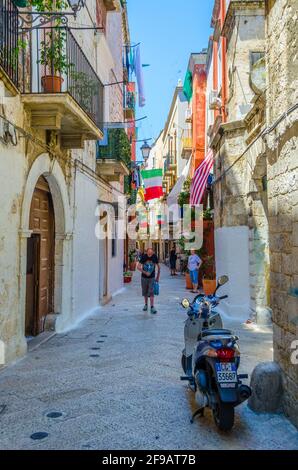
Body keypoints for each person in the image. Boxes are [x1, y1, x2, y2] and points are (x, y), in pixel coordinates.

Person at [138, 247, 160, 314]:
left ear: (153, 252)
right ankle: (146, 305)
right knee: (145, 292)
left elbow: (159, 267)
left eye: (151, 253)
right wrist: (145, 272)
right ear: (146, 252)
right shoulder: (144, 257)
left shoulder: (154, 257)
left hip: (152, 277)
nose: (150, 254)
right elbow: (138, 267)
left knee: (151, 292)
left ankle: (152, 307)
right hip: (144, 277)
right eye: (149, 253)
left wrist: (158, 277)